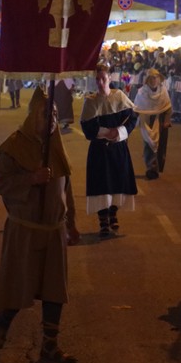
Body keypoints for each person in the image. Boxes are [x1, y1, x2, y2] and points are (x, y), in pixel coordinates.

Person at [0, 88, 78, 363]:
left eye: (54, 114)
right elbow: (0, 183)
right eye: (45, 113)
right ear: (32, 116)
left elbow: (67, 187)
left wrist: (72, 223)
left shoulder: (57, 145)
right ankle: (2, 323)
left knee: (54, 289)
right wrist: (31, 179)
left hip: (54, 230)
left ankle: (50, 345)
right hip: (25, 229)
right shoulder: (14, 146)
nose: (51, 119)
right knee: (20, 283)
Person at [80, 63, 139, 238]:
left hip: (118, 148)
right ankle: (103, 221)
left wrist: (119, 132)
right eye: (97, 79)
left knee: (117, 182)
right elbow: (87, 128)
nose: (100, 82)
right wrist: (107, 133)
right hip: (99, 150)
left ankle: (113, 213)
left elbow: (132, 118)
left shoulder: (119, 96)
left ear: (109, 78)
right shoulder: (90, 101)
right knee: (101, 184)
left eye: (103, 78)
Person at [131, 69, 173, 181]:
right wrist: (130, 123)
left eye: (155, 78)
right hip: (146, 121)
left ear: (159, 79)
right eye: (151, 78)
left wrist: (167, 120)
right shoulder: (142, 92)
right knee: (149, 144)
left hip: (160, 121)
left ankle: (156, 168)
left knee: (160, 145)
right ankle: (151, 168)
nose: (153, 80)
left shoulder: (163, 91)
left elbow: (168, 107)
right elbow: (136, 108)